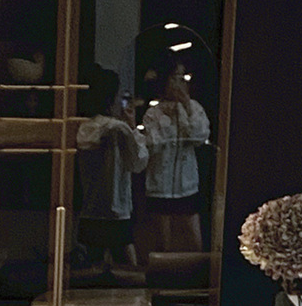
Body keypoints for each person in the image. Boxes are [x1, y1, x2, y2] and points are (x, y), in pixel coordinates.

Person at [75, 65, 147, 271]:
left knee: (92, 267)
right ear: (112, 99)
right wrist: (133, 128)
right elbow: (137, 162)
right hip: (117, 208)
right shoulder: (118, 129)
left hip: (90, 207)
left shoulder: (83, 126)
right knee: (128, 268)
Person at [142, 62, 210, 253]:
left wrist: (187, 107)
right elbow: (153, 145)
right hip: (160, 185)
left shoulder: (194, 108)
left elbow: (200, 137)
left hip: (187, 184)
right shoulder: (153, 112)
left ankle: (196, 270)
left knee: (194, 239)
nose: (179, 83)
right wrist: (166, 119)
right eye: (175, 78)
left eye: (182, 77)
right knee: (163, 243)